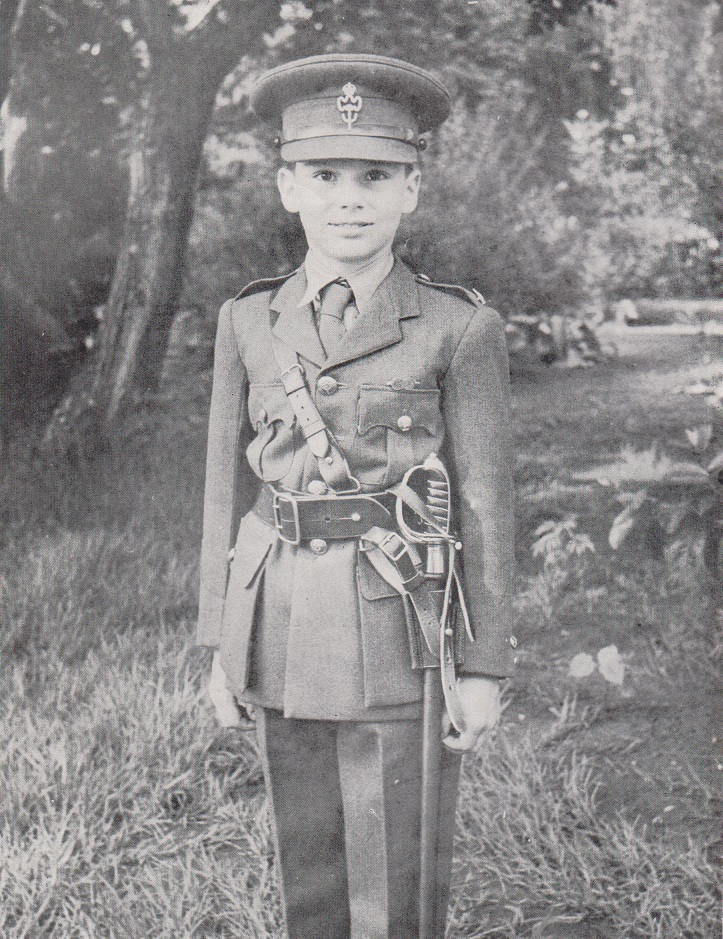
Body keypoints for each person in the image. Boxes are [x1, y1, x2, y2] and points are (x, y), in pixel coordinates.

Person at [197, 52, 516, 939]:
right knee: (305, 853)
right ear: (286, 187)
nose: (349, 200)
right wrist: (220, 642)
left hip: (396, 622)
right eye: (324, 175)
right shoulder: (247, 320)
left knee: (395, 867)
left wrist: (482, 666)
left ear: (411, 188)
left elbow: (486, 503)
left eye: (375, 176)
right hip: (276, 618)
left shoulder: (457, 326)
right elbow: (224, 493)